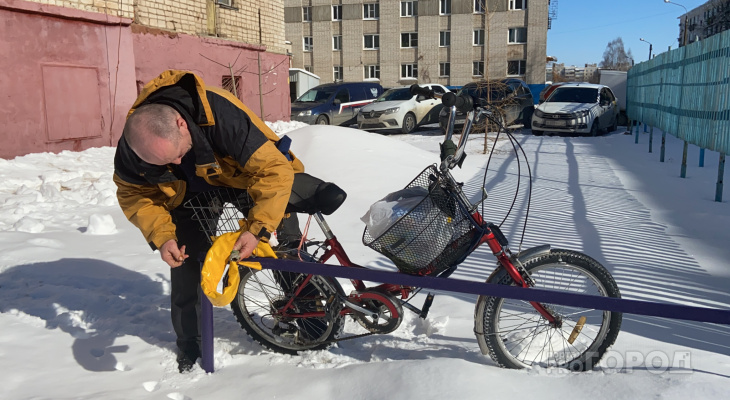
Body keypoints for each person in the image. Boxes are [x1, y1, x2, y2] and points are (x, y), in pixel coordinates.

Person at [113, 70, 345, 373]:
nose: (176, 164)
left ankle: (309, 319)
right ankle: (191, 344)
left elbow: (273, 171)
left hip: (247, 179)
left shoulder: (220, 113)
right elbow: (135, 197)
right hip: (191, 196)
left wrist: (257, 228)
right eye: (165, 163)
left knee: (283, 245)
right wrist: (162, 235)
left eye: (178, 154)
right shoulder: (133, 152)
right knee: (186, 262)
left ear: (182, 124)